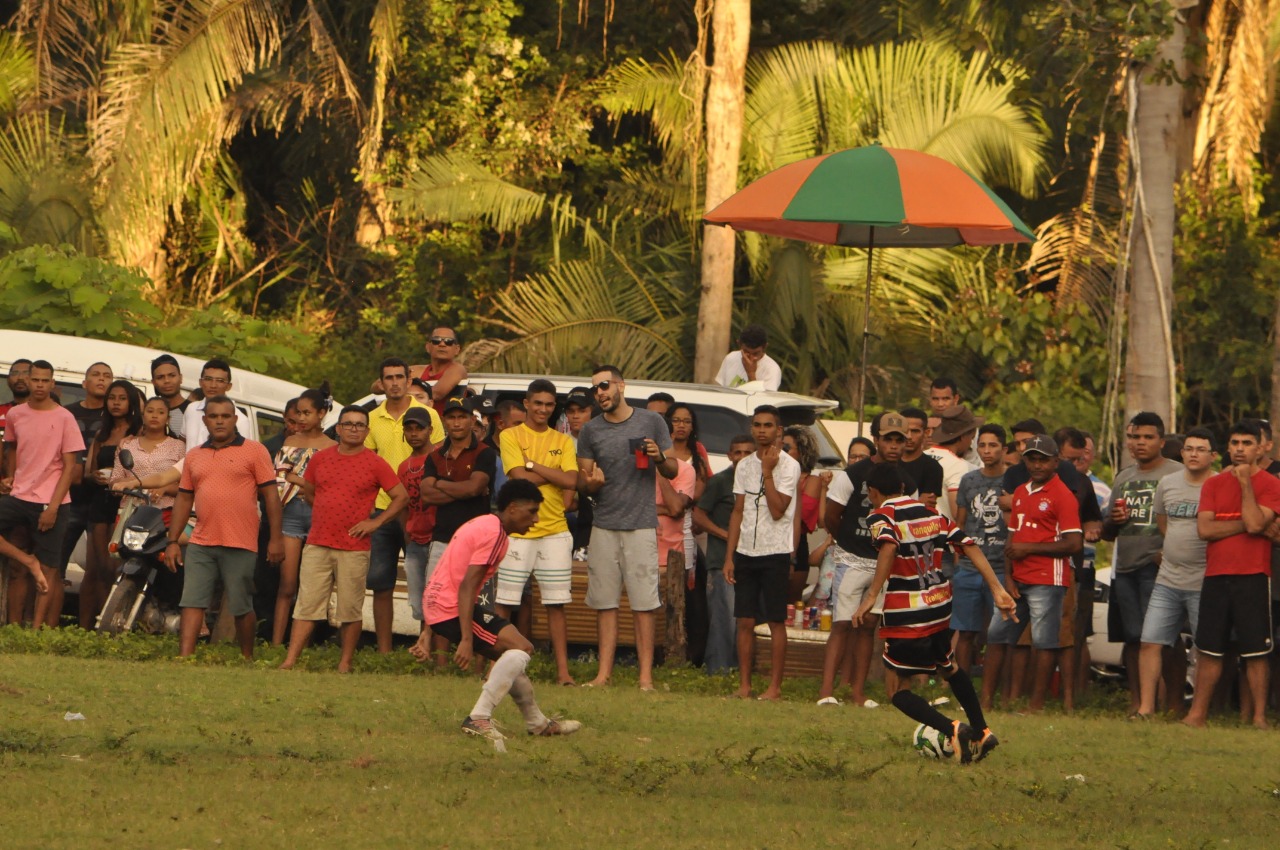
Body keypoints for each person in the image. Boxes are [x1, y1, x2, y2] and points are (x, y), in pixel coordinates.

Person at [853, 462, 1015, 763]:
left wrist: (871, 596)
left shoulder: (880, 516)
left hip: (908, 613)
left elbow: (888, 547)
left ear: (873, 492)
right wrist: (997, 588)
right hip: (940, 606)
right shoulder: (933, 513)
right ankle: (982, 730)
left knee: (896, 690)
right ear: (903, 488)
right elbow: (968, 545)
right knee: (948, 666)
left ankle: (953, 729)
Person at [425, 479, 581, 742]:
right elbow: (466, 585)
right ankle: (478, 717)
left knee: (513, 655)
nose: (536, 519)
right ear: (511, 508)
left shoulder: (485, 524)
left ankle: (538, 723)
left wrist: (427, 630)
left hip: (444, 605)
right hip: (451, 608)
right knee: (521, 649)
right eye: (531, 511)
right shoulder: (494, 534)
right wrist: (465, 639)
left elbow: (452, 573)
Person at [281, 405, 408, 672]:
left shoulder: (375, 462)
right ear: (337, 429)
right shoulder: (321, 458)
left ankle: (345, 662)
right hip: (318, 542)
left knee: (350, 608)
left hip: (354, 546)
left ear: (367, 431)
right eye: (348, 424)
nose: (353, 428)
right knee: (307, 604)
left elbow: (401, 497)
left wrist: (375, 522)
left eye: (359, 425)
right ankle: (290, 660)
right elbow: (310, 492)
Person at [576, 365, 677, 690]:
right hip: (603, 525)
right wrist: (593, 483)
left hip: (641, 526)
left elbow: (673, 469)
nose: (599, 393)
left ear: (621, 385)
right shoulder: (591, 431)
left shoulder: (651, 421)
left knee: (644, 604)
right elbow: (584, 483)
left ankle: (645, 677)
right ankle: (603, 675)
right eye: (595, 389)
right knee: (605, 603)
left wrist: (658, 456)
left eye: (604, 386)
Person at [167, 397, 283, 659]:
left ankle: (246, 656)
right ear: (205, 420)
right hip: (201, 540)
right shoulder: (195, 455)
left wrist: (276, 539)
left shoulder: (254, 451)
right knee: (192, 600)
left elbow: (271, 497)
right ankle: (184, 658)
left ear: (235, 419)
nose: (219, 420)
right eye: (214, 416)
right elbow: (184, 497)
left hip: (240, 541)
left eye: (225, 416)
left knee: (241, 605)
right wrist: (173, 540)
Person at [1184, 419, 1280, 729]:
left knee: (1255, 650)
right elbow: (1205, 529)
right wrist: (1250, 527)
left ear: (1259, 448)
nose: (1240, 449)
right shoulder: (1212, 484)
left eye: (1247, 444)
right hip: (1216, 574)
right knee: (1209, 647)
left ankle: (1258, 717)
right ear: (1227, 447)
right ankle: (1197, 714)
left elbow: (1255, 522)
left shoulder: (1271, 484)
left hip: (1253, 574)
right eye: (1235, 443)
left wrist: (1244, 485)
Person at [981, 435, 1083, 712]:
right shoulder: (1023, 492)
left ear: (1055, 462)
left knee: (1044, 642)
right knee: (996, 636)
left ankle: (1036, 704)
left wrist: (1030, 549)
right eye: (1032, 459)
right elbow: (1012, 538)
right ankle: (985, 701)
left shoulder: (1063, 496)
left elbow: (1074, 544)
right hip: (1018, 579)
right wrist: (1009, 577)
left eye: (1043, 459)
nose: (1037, 465)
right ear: (1024, 460)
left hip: (1048, 579)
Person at [817, 412, 911, 707]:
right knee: (842, 624)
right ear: (876, 439)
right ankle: (826, 691)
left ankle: (858, 693)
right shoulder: (852, 475)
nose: (893, 445)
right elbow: (831, 515)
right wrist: (848, 540)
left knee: (869, 625)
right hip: (851, 559)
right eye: (888, 439)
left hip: (884, 561)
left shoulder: (906, 481)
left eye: (899, 440)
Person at [494, 380, 581, 685]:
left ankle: (563, 672)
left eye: (549, 404)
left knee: (556, 603)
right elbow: (519, 479)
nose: (543, 409)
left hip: (555, 529)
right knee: (505, 601)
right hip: (517, 530)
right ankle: (493, 666)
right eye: (538, 403)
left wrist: (534, 464)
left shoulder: (565, 440)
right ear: (527, 404)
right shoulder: (510, 435)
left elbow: (572, 481)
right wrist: (551, 473)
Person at [1101, 412, 1183, 714]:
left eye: (1147, 437)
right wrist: (1112, 521)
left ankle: (1174, 705)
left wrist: (1169, 553)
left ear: (1162, 441)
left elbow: (1186, 522)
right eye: (1135, 437)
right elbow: (1108, 532)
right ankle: (1138, 705)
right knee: (1134, 639)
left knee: (1166, 639)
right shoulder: (1124, 477)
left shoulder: (1177, 474)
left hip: (1160, 567)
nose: (1140, 443)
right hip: (1125, 568)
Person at [364, 357, 443, 653]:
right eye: (389, 378)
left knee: (427, 580)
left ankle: (427, 648)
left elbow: (438, 457)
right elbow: (368, 465)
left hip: (423, 511)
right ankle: (384, 652)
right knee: (380, 582)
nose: (395, 383)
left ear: (409, 380)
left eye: (400, 377)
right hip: (383, 507)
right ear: (381, 383)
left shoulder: (426, 415)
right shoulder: (371, 418)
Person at [1135, 427, 1215, 718]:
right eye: (1189, 449)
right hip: (1167, 579)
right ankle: (1145, 708)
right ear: (1181, 453)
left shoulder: (1219, 485)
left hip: (1205, 580)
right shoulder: (1167, 484)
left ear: (1213, 455)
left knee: (1206, 649)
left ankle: (1197, 711)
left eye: (1201, 449)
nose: (1193, 454)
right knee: (1150, 641)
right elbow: (1163, 524)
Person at [412, 396, 498, 661]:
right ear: (444, 421)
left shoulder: (485, 452)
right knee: (437, 599)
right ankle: (439, 664)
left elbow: (476, 488)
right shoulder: (435, 455)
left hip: (478, 539)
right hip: (443, 535)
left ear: (472, 420)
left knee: (479, 602)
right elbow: (426, 495)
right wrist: (463, 490)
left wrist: (441, 485)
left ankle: (476, 664)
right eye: (451, 417)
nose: (457, 422)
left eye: (462, 417)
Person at [725, 405, 801, 700]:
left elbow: (779, 509)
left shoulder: (788, 465)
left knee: (774, 620)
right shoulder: (744, 466)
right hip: (746, 550)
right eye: (757, 425)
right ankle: (744, 686)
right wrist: (730, 555)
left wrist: (767, 472)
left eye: (768, 425)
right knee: (744, 619)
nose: (761, 430)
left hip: (775, 550)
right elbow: (738, 510)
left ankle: (774, 687)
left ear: (778, 430)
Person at [0, 360, 80, 625]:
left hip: (51, 499)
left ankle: (36, 632)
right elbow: (12, 448)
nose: (40, 385)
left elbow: (70, 467)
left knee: (49, 569)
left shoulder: (65, 417)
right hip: (19, 495)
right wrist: (10, 476)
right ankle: (13, 627)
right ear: (28, 381)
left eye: (45, 380)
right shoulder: (16, 414)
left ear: (52, 383)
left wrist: (53, 508)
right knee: (17, 568)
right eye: (36, 380)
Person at [269, 384, 336, 646]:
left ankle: (304, 644)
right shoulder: (289, 442)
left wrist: (296, 478)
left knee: (313, 585)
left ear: (322, 413)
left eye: (307, 413)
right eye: (298, 413)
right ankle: (276, 644)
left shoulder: (331, 446)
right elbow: (278, 482)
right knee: (287, 585)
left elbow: (326, 488)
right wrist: (299, 481)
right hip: (291, 512)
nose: (301, 418)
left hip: (320, 514)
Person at [82, 380, 144, 624]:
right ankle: (94, 622)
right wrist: (94, 477)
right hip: (100, 498)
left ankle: (112, 621)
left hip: (126, 502)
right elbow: (88, 471)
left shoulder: (139, 432)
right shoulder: (102, 433)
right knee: (98, 567)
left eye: (122, 398)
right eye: (112, 398)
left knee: (114, 565)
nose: (116, 403)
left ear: (131, 402)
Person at [694, 434, 754, 674]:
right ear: (729, 455)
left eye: (747, 453)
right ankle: (717, 671)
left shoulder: (759, 481)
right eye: (737, 452)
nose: (741, 457)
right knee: (723, 619)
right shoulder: (720, 481)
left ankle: (740, 670)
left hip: (749, 560)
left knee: (743, 620)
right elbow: (698, 515)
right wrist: (724, 534)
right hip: (721, 560)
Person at [952, 424, 1009, 675]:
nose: (987, 451)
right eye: (982, 445)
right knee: (965, 631)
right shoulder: (969, 480)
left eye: (993, 445)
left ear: (1004, 449)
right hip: (969, 567)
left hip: (1000, 567)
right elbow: (960, 524)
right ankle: (961, 686)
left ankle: (992, 690)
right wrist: (958, 558)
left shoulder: (1013, 480)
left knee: (998, 633)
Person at [61, 361, 112, 626]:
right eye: (95, 375)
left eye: (106, 376)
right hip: (68, 497)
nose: (101, 380)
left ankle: (90, 626)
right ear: (84, 383)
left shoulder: (116, 419)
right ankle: (43, 624)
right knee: (55, 564)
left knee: (98, 568)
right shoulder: (66, 414)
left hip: (101, 502)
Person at [398, 407, 437, 650]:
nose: (414, 434)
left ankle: (439, 654)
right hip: (415, 538)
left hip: (438, 537)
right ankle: (425, 650)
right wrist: (407, 536)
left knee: (437, 598)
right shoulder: (404, 466)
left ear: (430, 430)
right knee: (418, 601)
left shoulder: (440, 457)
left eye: (419, 429)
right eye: (409, 429)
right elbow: (402, 504)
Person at [782, 425, 831, 600]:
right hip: (770, 543)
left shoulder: (812, 481)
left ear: (802, 452)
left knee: (790, 604)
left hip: (796, 545)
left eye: (787, 448)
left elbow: (803, 513)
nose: (782, 452)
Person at [925, 405, 980, 522]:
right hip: (946, 534)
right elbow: (958, 514)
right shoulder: (959, 466)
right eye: (971, 437)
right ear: (963, 436)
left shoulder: (922, 456)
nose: (971, 441)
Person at [182, 359, 249, 451]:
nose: (213, 385)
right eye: (208, 379)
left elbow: (243, 453)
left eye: (220, 381)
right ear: (200, 382)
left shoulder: (240, 419)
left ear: (229, 386)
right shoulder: (191, 409)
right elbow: (183, 443)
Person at [563, 386, 595, 562]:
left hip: (593, 519)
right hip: (564, 515)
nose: (575, 416)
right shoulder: (559, 442)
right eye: (571, 411)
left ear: (592, 410)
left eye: (582, 411)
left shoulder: (602, 442)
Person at [898, 407, 943, 513]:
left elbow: (925, 508)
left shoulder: (932, 467)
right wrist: (916, 501)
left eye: (915, 431)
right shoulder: (887, 463)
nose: (909, 436)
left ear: (926, 433)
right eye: (905, 431)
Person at [714, 324, 781, 391]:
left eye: (755, 353)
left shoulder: (772, 369)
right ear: (739, 344)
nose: (751, 357)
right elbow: (721, 390)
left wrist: (751, 373)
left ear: (765, 347)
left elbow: (763, 400)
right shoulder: (730, 358)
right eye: (746, 352)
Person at [150, 354, 189, 440]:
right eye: (160, 377)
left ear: (181, 378)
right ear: (153, 382)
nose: (167, 381)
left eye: (172, 375)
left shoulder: (192, 410)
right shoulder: (148, 412)